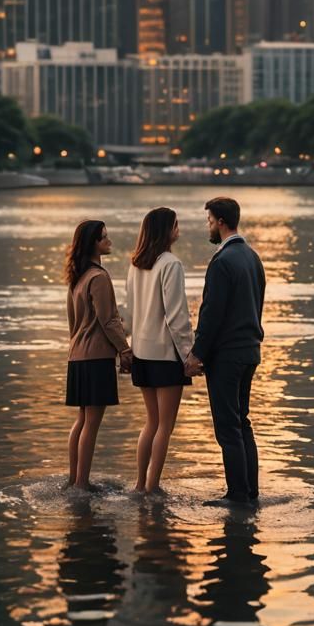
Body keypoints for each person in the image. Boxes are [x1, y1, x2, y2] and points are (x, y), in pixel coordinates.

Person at [184, 197, 266, 508]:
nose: (208, 226)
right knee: (242, 422)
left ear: (220, 222)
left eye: (209, 221)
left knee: (227, 426)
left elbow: (211, 314)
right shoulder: (252, 257)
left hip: (227, 356)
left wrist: (196, 354)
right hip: (250, 352)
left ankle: (237, 495)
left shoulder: (222, 262)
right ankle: (251, 490)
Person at [124, 206, 195, 494]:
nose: (179, 229)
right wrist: (188, 353)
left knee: (150, 422)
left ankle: (140, 483)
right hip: (166, 355)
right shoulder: (171, 264)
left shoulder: (135, 265)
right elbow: (177, 315)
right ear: (166, 230)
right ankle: (152, 487)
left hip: (141, 351)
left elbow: (128, 314)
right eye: (176, 224)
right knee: (165, 425)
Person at [65, 219, 132, 490]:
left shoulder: (77, 278)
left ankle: (73, 479)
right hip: (96, 358)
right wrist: (125, 349)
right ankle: (82, 483)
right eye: (104, 237)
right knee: (91, 423)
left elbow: (72, 322)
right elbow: (109, 320)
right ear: (93, 243)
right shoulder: (99, 277)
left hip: (77, 356)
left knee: (81, 420)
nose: (109, 241)